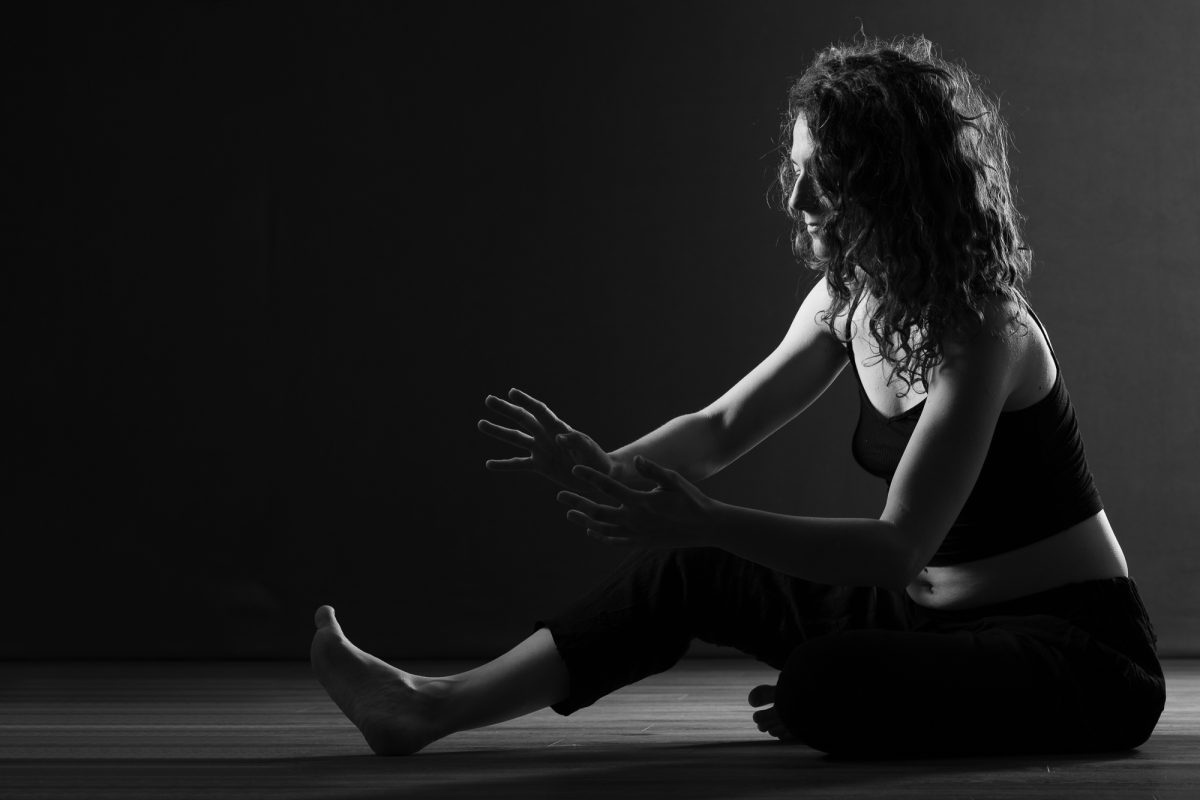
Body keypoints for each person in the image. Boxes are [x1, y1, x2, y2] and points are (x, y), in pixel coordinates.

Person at [309, 34, 1165, 757]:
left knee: (824, 682)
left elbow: (895, 548)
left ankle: (867, 703)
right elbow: (720, 427)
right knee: (691, 570)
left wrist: (708, 516)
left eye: (820, 175)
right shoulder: (848, 299)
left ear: (891, 180)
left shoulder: (987, 331)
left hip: (1073, 644)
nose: (794, 199)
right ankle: (428, 707)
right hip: (926, 621)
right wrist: (604, 465)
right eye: (795, 171)